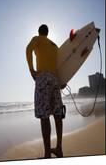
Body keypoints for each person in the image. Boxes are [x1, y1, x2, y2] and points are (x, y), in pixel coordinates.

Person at [26, 24, 65, 158]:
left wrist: (31, 69)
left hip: (43, 77)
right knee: (57, 114)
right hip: (55, 79)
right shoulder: (54, 45)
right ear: (48, 33)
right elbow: (60, 64)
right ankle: (59, 148)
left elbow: (28, 49)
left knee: (44, 116)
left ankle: (47, 153)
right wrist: (62, 81)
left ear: (39, 32)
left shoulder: (37, 39)